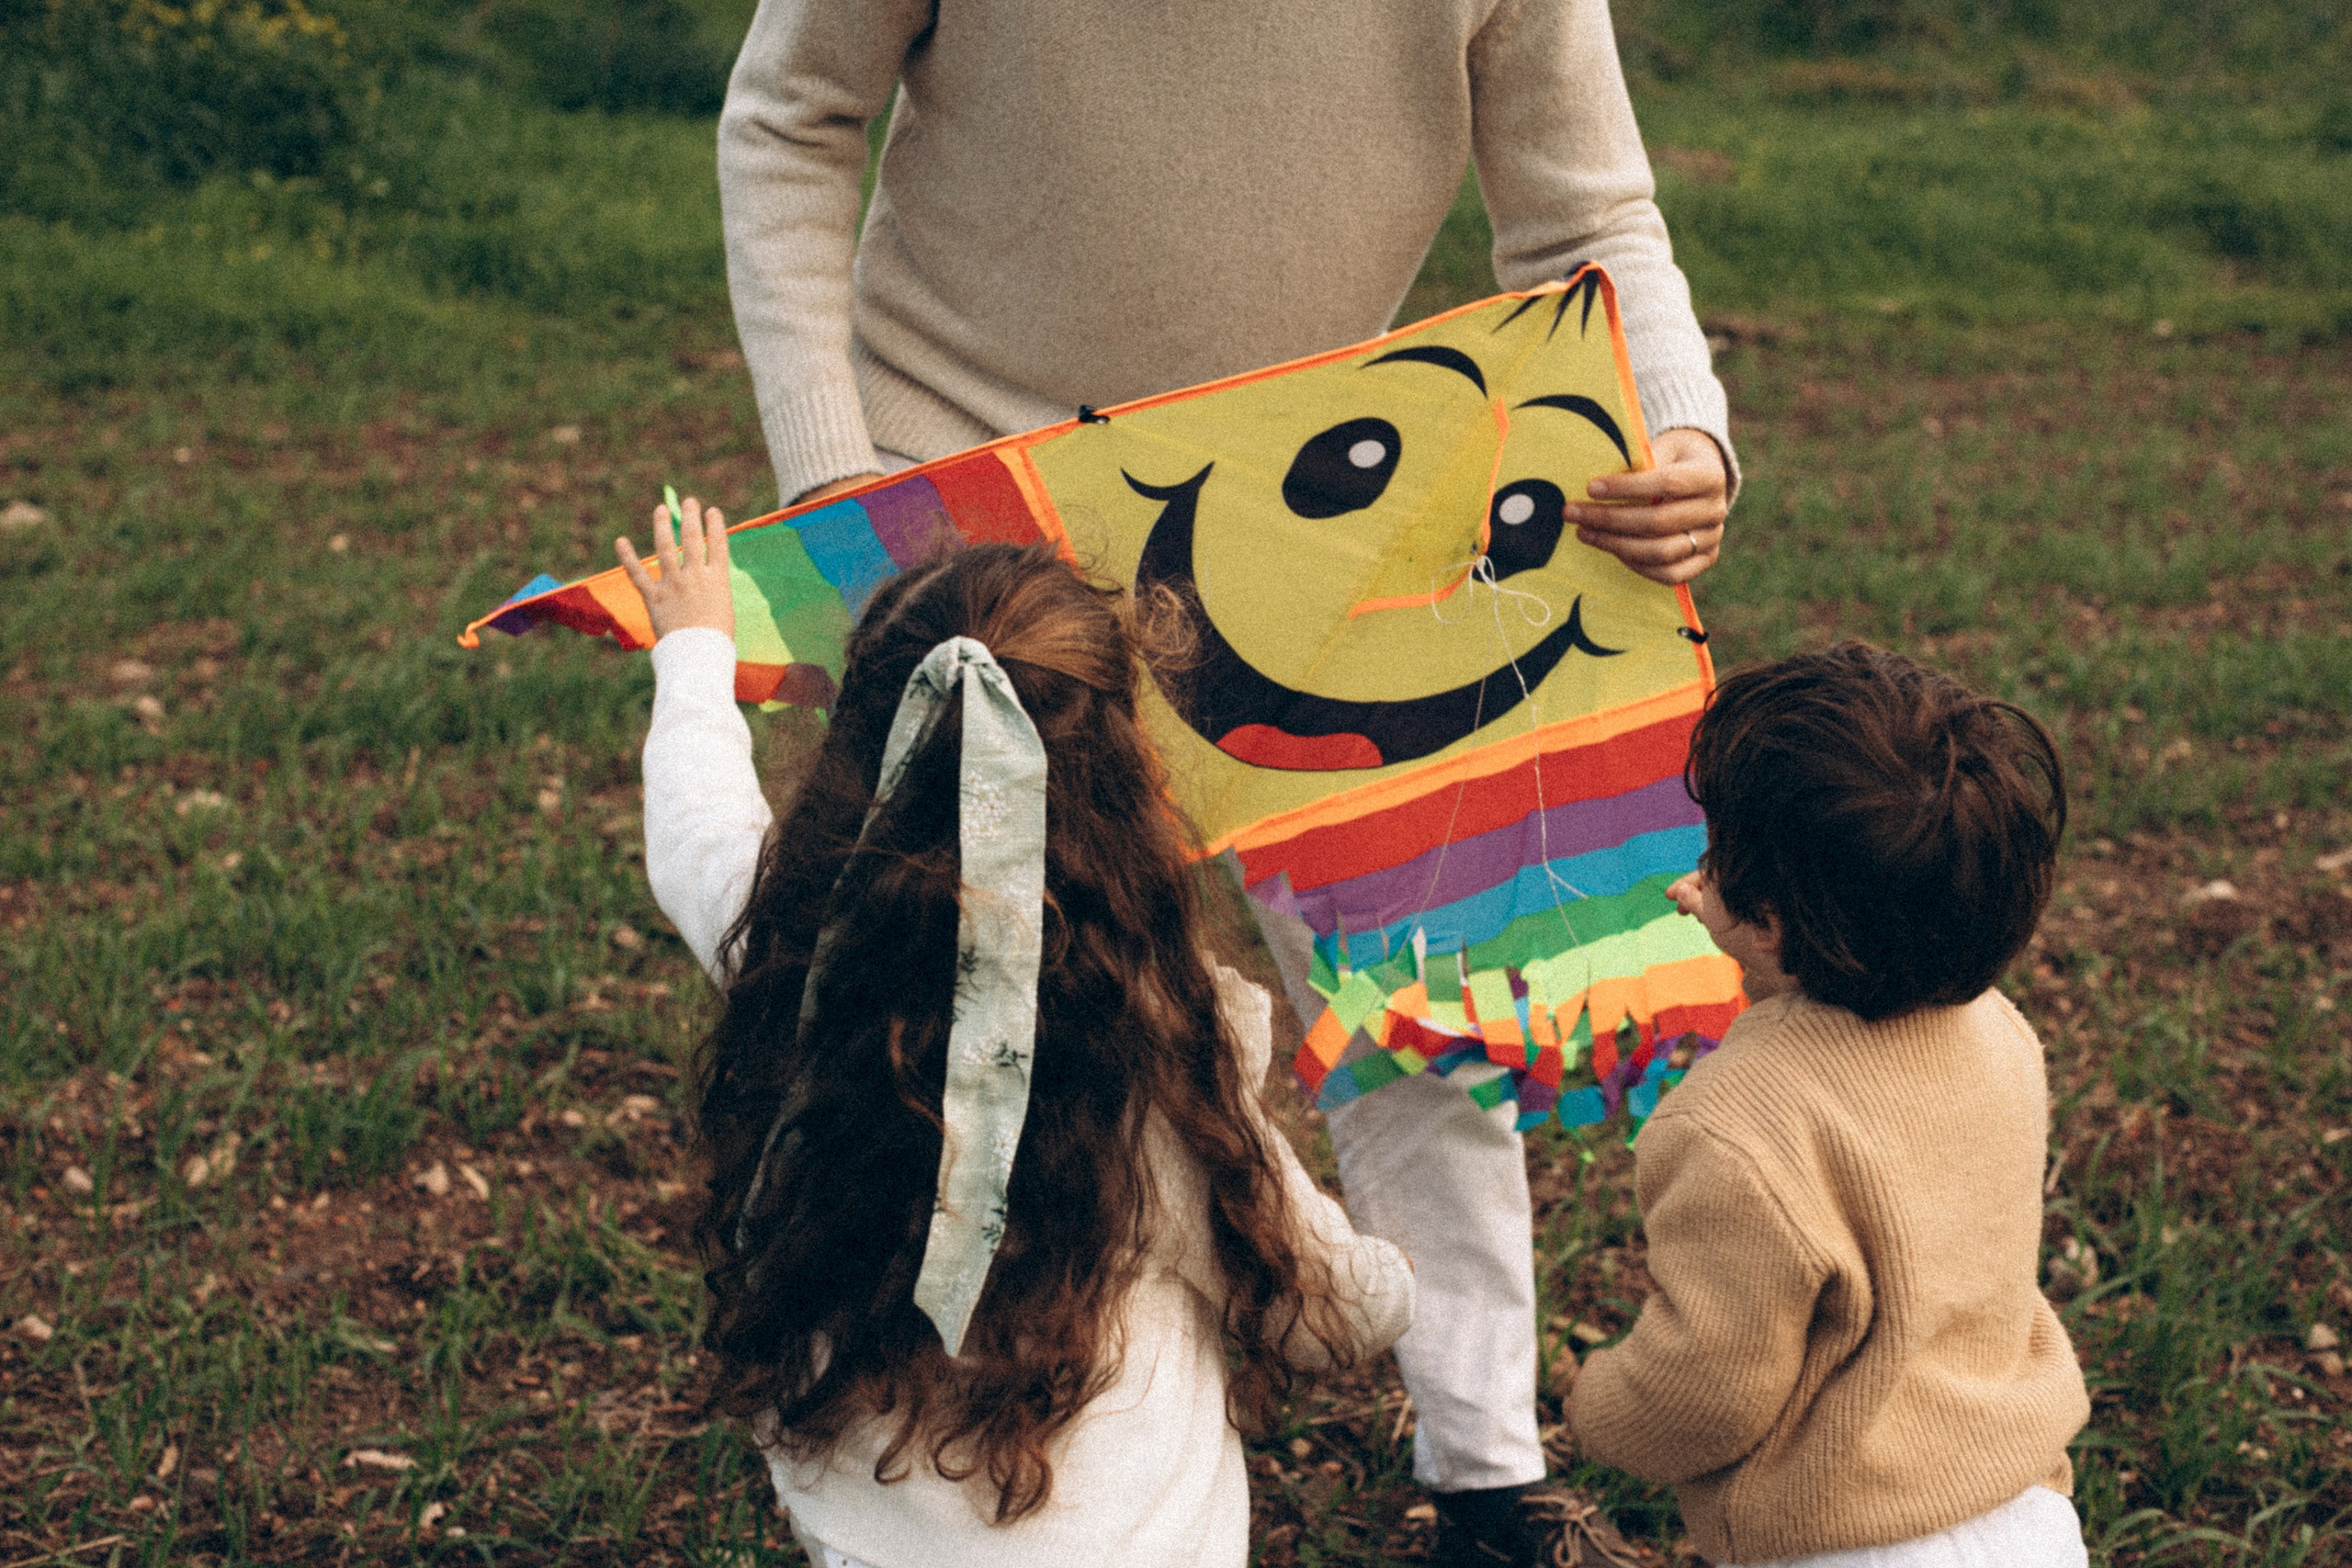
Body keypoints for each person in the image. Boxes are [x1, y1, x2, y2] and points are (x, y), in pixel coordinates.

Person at [719, 6, 1737, 1559]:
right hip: (978, 512)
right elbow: (790, 120)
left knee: (1422, 991)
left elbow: (1589, 214)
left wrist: (1681, 431)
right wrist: (838, 484)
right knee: (940, 1002)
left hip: (1335, 514)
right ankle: (883, 1427)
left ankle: (1483, 1470)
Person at [615, 500, 1417, 1568]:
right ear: (1121, 781)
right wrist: (1399, 1279)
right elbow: (1328, 1316)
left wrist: (694, 645)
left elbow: (697, 826)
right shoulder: (1146, 1062)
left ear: (860, 751)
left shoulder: (795, 960)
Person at [1568, 643, 2092, 1568]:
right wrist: (1756, 938)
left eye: (1713, 852)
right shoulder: (2000, 1034)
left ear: (1767, 920)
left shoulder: (1731, 1124)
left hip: (1840, 1537)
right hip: (2028, 1515)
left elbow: (1711, 1388)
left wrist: (1599, 1403)